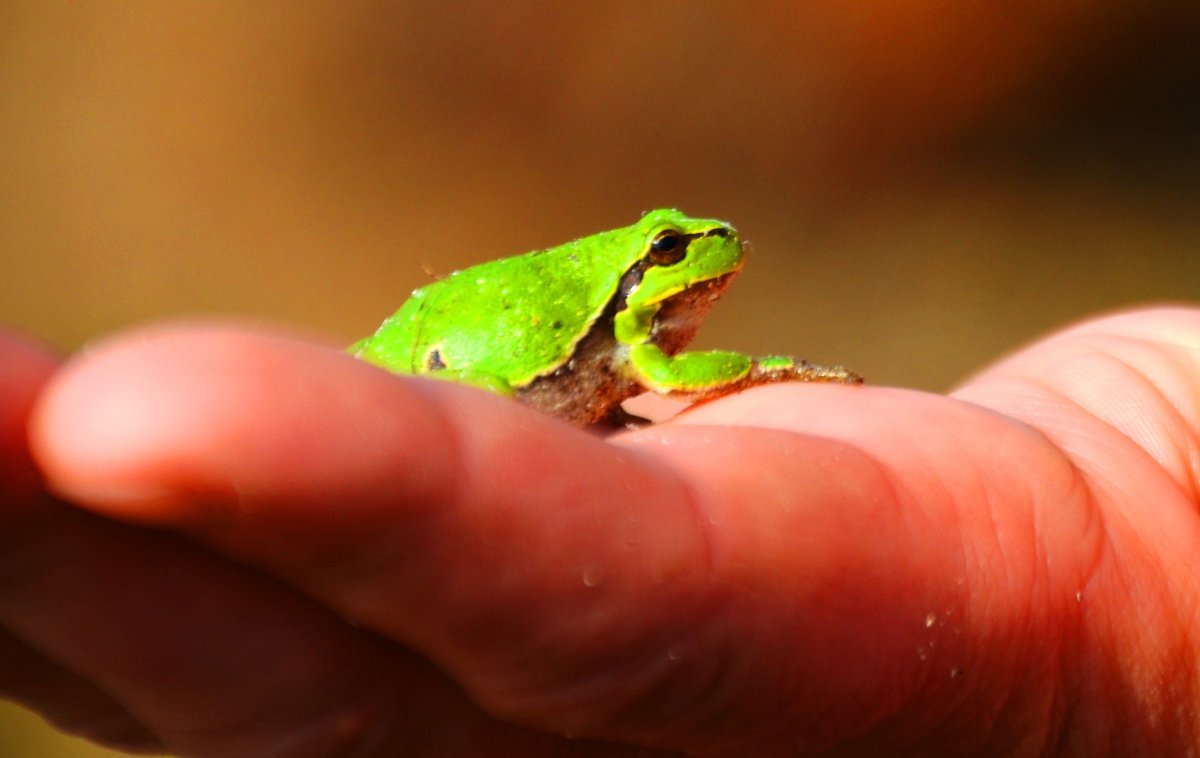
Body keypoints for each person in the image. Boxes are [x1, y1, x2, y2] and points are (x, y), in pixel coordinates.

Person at [1, 307, 1197, 755]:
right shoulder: (636, 330)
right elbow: (661, 369)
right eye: (672, 250)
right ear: (643, 276)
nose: (705, 257)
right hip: (486, 386)